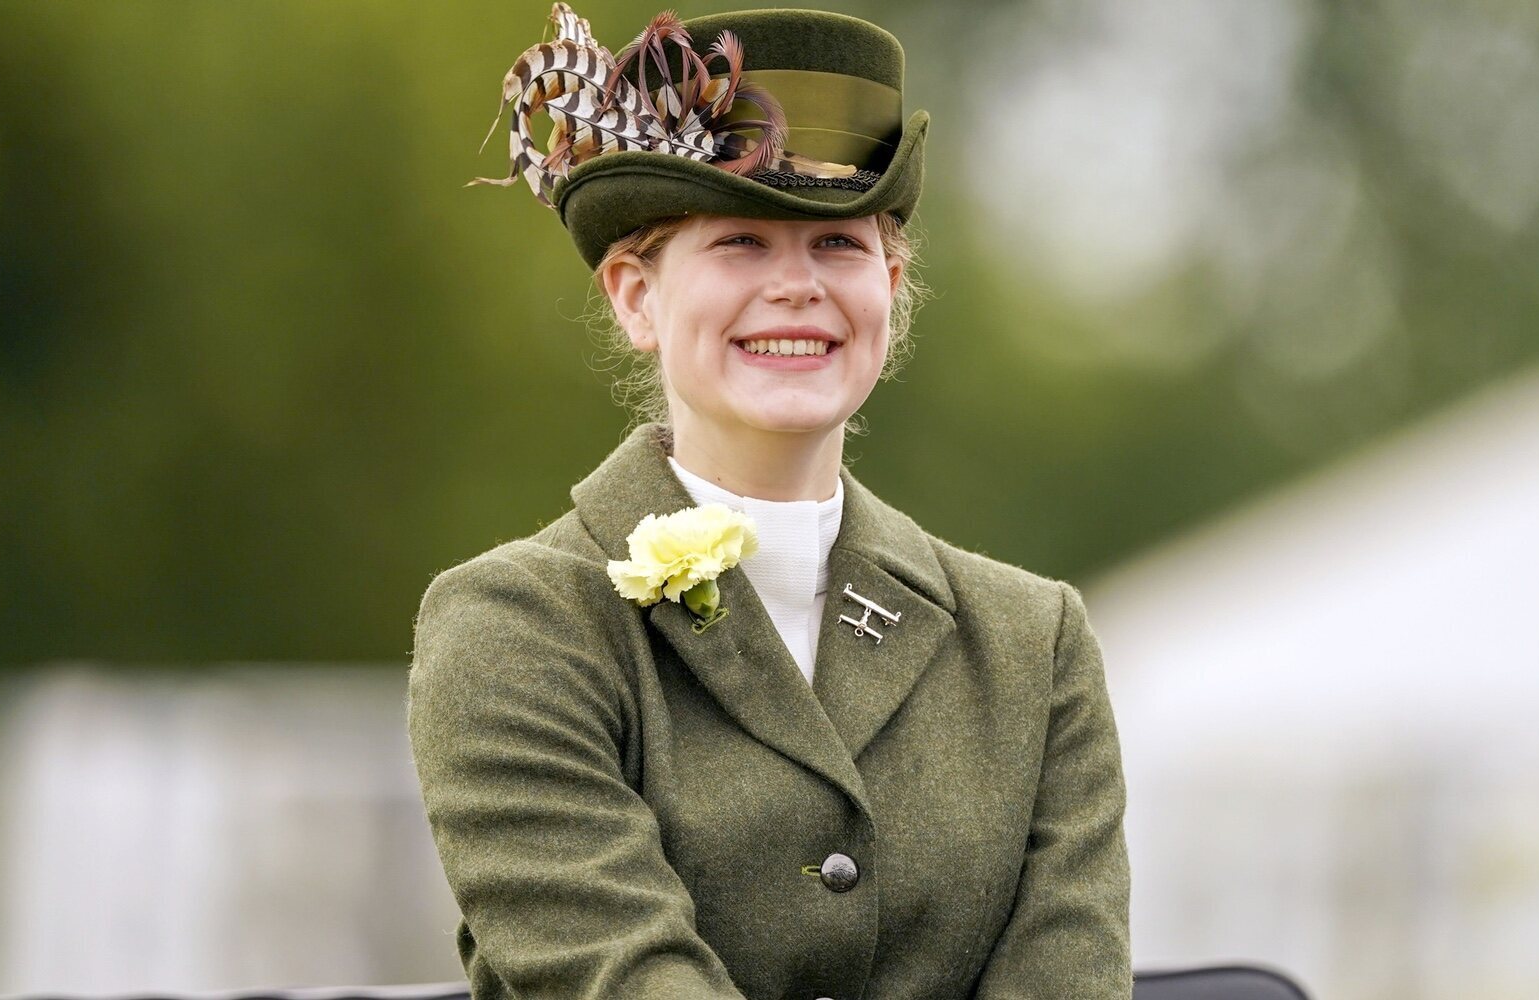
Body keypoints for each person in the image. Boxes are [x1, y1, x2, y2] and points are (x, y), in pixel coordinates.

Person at [409, 6, 1130, 998]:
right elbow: (622, 977)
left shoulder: (1029, 644)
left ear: (889, 280)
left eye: (836, 243)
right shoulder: (518, 628)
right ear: (633, 295)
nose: (795, 285)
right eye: (741, 241)